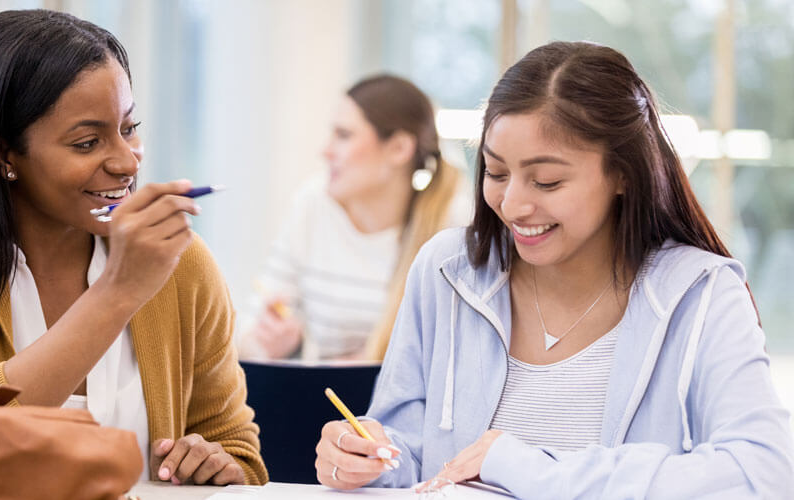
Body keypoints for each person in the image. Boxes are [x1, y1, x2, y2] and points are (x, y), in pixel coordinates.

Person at [314, 41, 794, 497]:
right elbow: (412, 461)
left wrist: (525, 466)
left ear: (623, 173)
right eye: (497, 172)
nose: (513, 203)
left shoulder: (701, 294)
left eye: (547, 181)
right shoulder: (445, 272)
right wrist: (365, 460)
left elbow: (765, 474)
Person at [0, 9, 267, 486]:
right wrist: (118, 293)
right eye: (87, 142)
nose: (126, 161)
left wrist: (217, 466)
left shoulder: (179, 261)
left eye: (130, 127)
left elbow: (240, 454)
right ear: (4, 153)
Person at [241, 75, 471, 361]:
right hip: (316, 401)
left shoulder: (451, 224)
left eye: (344, 136)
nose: (325, 151)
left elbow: (455, 352)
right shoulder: (313, 204)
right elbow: (249, 337)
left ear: (399, 148)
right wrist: (271, 344)